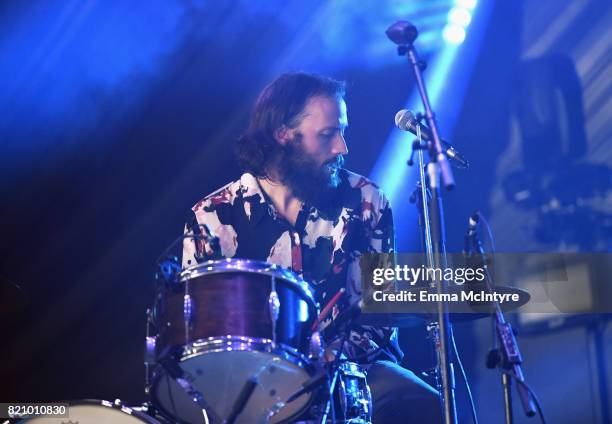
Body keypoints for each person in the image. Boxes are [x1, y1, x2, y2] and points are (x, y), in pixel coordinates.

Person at [182, 72, 441, 423]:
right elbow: (198, 337)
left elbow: (379, 317)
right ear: (284, 135)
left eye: (342, 131)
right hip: (252, 387)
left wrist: (325, 361)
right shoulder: (212, 217)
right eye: (328, 134)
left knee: (424, 403)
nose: (342, 148)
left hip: (353, 374)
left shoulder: (365, 200)